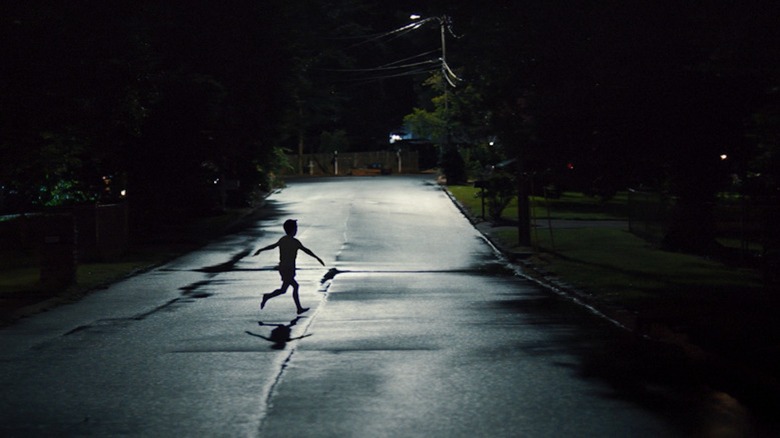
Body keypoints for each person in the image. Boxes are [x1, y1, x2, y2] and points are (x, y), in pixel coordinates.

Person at [253, 219, 324, 314]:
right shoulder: (294, 242)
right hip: (286, 269)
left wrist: (261, 250)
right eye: (296, 228)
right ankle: (299, 308)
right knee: (295, 286)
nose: (296, 230)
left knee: (283, 290)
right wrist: (317, 258)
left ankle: (267, 296)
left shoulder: (284, 240)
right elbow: (306, 250)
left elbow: (273, 246)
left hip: (285, 268)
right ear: (292, 229)